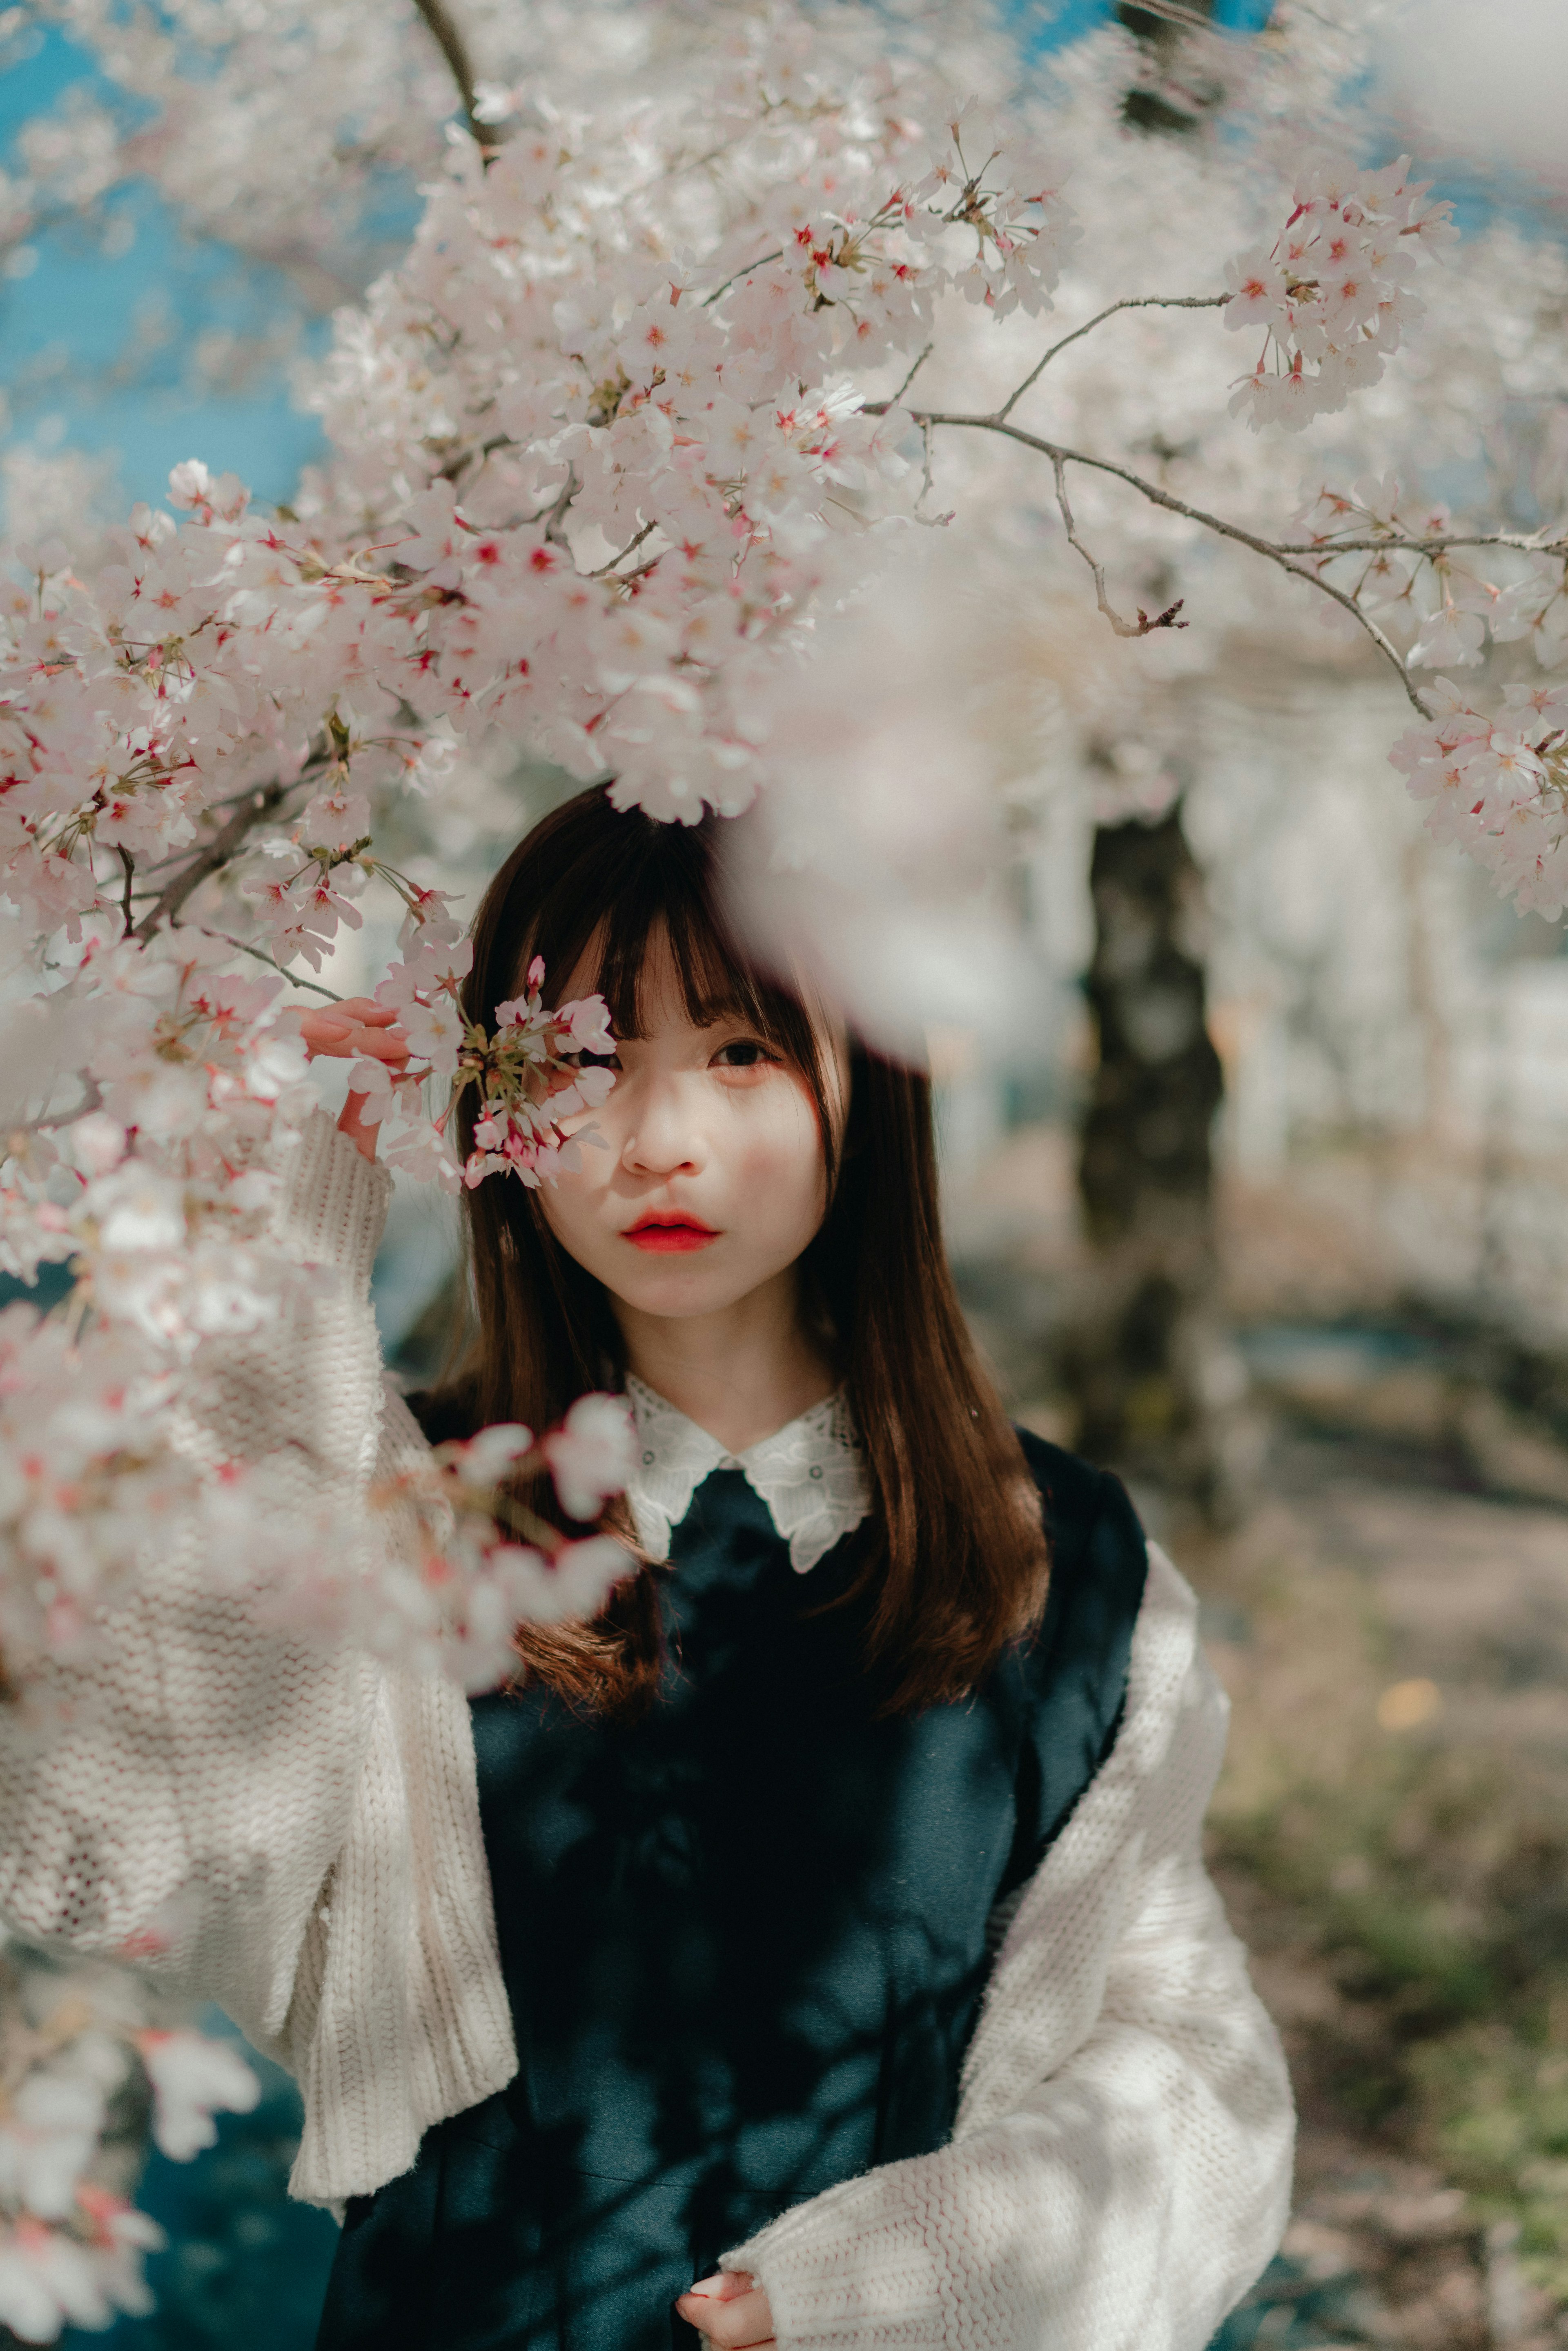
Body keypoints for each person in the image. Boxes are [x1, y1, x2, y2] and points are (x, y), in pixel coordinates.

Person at [0, 784, 1293, 2351]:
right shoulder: (403, 1512)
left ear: (862, 1080)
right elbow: (102, 1828)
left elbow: (1193, 2065)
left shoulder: (1059, 1563)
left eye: (741, 1050)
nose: (658, 1142)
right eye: (583, 1065)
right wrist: (277, 1229)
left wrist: (885, 2284)